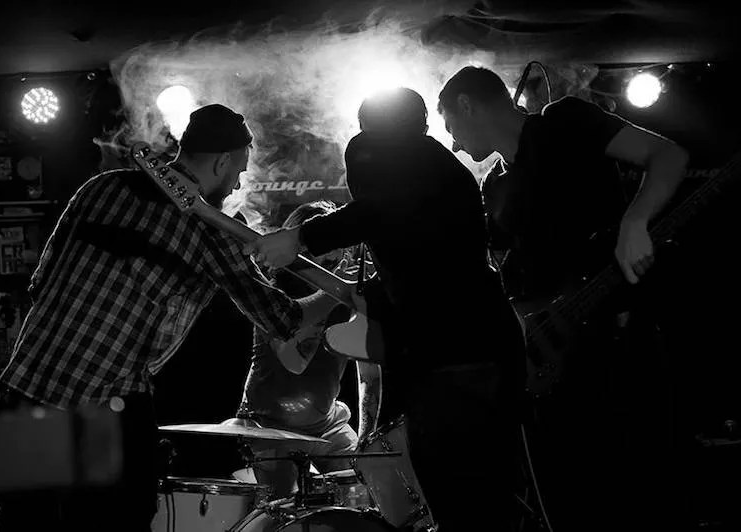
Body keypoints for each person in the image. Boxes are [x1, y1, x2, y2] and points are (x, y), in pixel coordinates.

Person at [0, 104, 340, 532]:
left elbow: (40, 283)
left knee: (25, 522)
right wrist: (342, 292)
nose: (237, 184)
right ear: (222, 162)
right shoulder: (213, 229)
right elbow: (284, 319)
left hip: (26, 387)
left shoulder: (101, 188)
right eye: (239, 171)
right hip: (105, 404)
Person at [243, 87, 526, 531]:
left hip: (455, 355)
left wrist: (299, 238)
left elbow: (377, 211)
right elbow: (415, 254)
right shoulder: (436, 172)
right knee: (477, 498)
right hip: (477, 345)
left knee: (458, 495)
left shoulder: (390, 155)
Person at [437, 66, 689, 532]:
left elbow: (668, 154)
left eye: (450, 126)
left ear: (467, 105)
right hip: (553, 362)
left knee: (640, 490)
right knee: (575, 500)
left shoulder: (565, 121)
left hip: (618, 337)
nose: (453, 143)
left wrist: (634, 223)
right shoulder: (494, 186)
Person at [238, 200, 382, 500]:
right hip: (269, 426)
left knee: (367, 491)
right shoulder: (275, 297)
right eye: (323, 247)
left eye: (338, 247)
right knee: (282, 505)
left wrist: (367, 440)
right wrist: (338, 289)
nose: (333, 255)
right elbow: (295, 362)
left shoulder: (349, 299)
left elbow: (370, 377)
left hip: (327, 424)